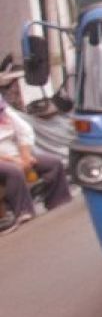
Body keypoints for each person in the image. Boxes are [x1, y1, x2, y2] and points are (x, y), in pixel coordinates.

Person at [0, 98, 71, 234]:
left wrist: (25, 155)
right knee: (14, 171)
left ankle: (58, 201)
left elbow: (24, 131)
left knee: (53, 163)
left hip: (16, 153)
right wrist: (12, 160)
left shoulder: (5, 112)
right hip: (5, 159)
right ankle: (23, 212)